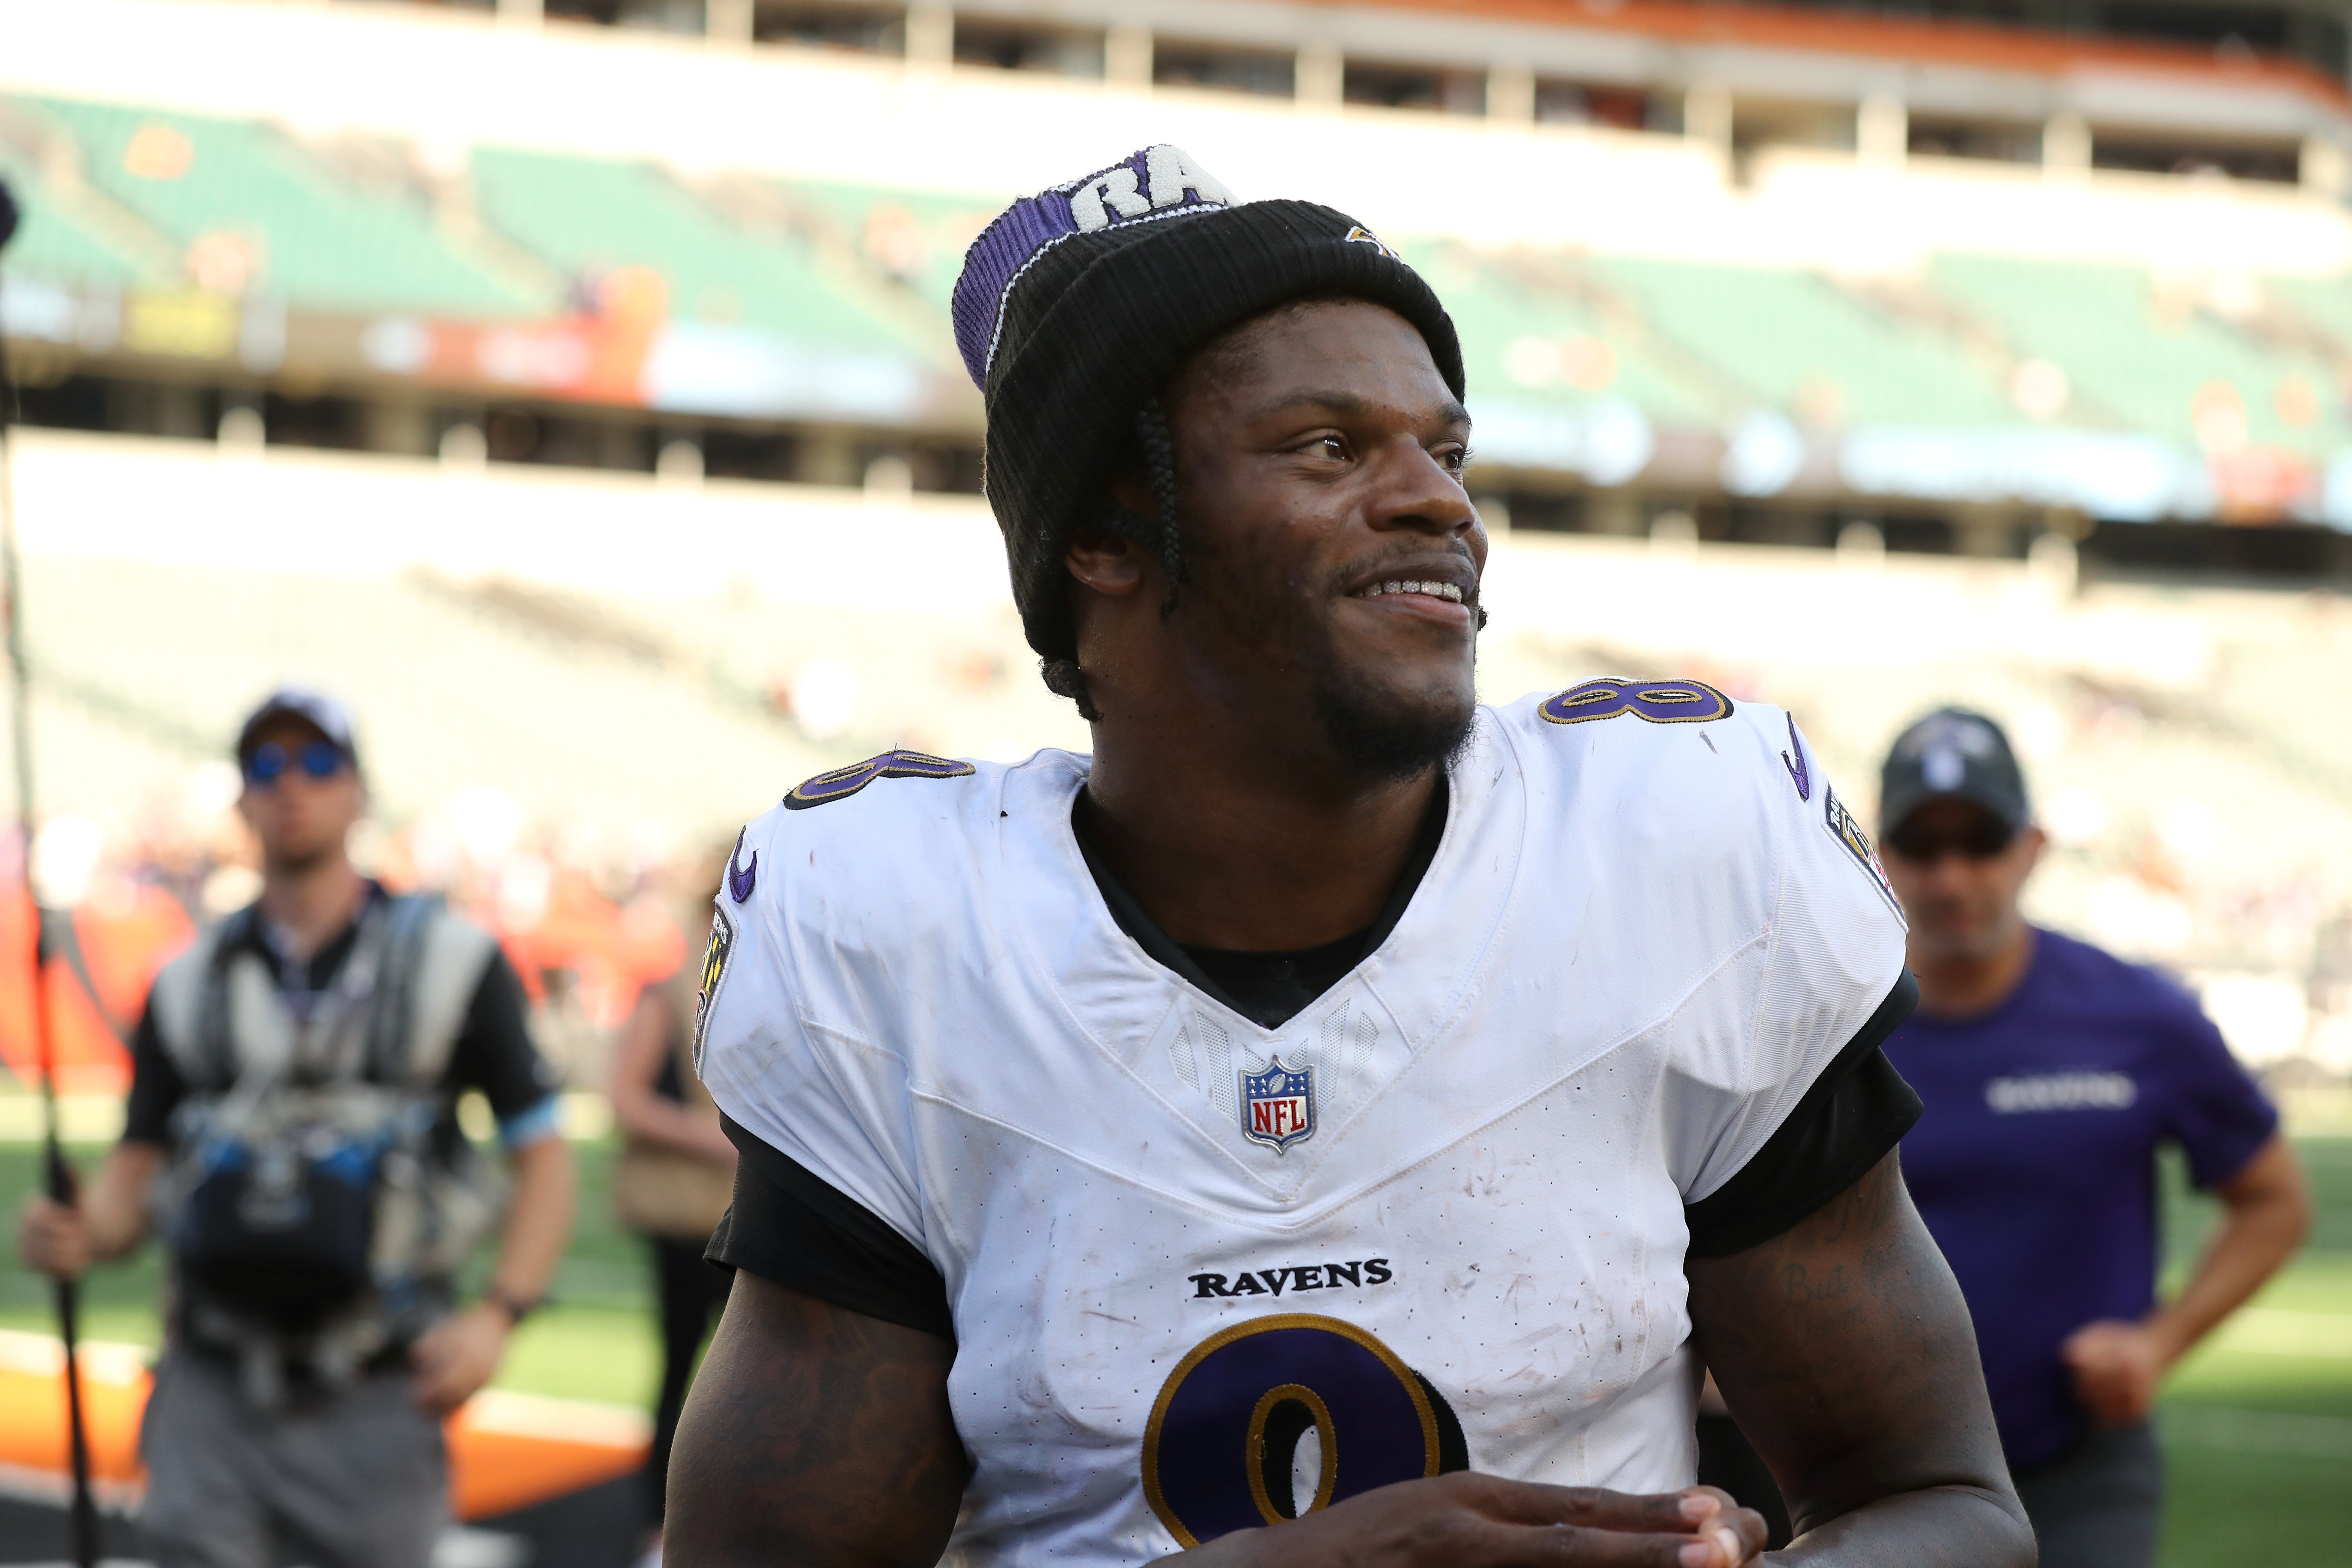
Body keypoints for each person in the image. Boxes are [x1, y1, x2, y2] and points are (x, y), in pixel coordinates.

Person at [668, 146, 2033, 1568]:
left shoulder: (1670, 855)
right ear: (1101, 536)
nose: (1442, 504)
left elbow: (1942, 1504)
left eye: (1447, 451)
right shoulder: (904, 940)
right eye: (1330, 447)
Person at [16, 689, 578, 1568]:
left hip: (379, 1391)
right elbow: (136, 1171)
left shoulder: (454, 960)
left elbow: (543, 1153)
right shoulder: (184, 980)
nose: (291, 785)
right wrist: (82, 1231)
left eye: (318, 763)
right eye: (265, 766)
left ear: (359, 792)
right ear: (240, 799)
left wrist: (500, 1315)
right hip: (210, 1391)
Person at [1876, 707, 2311, 1568]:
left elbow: (2273, 1201)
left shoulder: (2137, 1015)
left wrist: (2159, 1342)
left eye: (1982, 842)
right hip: (1868, 1472)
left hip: (2078, 1470)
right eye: (1923, 847)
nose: (1952, 877)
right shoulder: (1823, 1030)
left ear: (2033, 847)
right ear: (1879, 855)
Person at [607, 846, 737, 1538]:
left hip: (744, 1209)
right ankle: (661, 1526)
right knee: (688, 1367)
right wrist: (712, 1137)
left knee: (743, 1378)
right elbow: (624, 1099)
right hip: (693, 1215)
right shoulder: (673, 989)